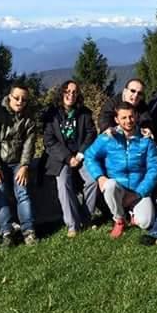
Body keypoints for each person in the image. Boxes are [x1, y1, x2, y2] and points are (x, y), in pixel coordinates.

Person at [84, 101, 157, 238]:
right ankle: (119, 220)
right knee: (110, 184)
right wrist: (99, 176)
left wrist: (138, 193)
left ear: (136, 116)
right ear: (116, 119)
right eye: (123, 118)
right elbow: (89, 156)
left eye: (131, 116)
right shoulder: (108, 138)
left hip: (138, 189)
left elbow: (154, 170)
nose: (128, 121)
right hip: (118, 189)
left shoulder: (146, 140)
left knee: (146, 222)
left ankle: (132, 214)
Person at [43, 80, 99, 237]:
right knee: (63, 183)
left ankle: (86, 218)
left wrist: (80, 154)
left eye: (74, 92)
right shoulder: (51, 114)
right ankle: (72, 224)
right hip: (61, 158)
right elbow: (48, 140)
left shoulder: (84, 113)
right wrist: (68, 157)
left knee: (93, 180)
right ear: (62, 93)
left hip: (81, 155)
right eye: (67, 91)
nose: (71, 95)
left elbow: (91, 134)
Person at [0, 83, 38, 246]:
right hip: (0, 163)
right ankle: (6, 232)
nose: (20, 101)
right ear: (9, 97)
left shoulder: (29, 119)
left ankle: (29, 231)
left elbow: (29, 145)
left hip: (18, 163)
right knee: (1, 195)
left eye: (23, 99)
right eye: (16, 98)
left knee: (22, 193)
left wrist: (24, 166)